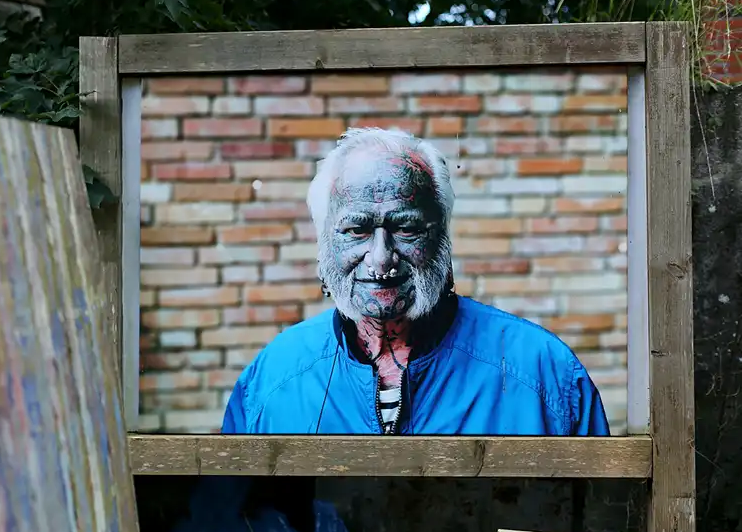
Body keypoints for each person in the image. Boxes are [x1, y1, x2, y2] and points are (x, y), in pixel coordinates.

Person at [221, 127, 610, 436]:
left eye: (406, 227)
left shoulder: (543, 372)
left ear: (441, 237)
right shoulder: (273, 378)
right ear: (324, 245)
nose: (381, 258)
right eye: (356, 230)